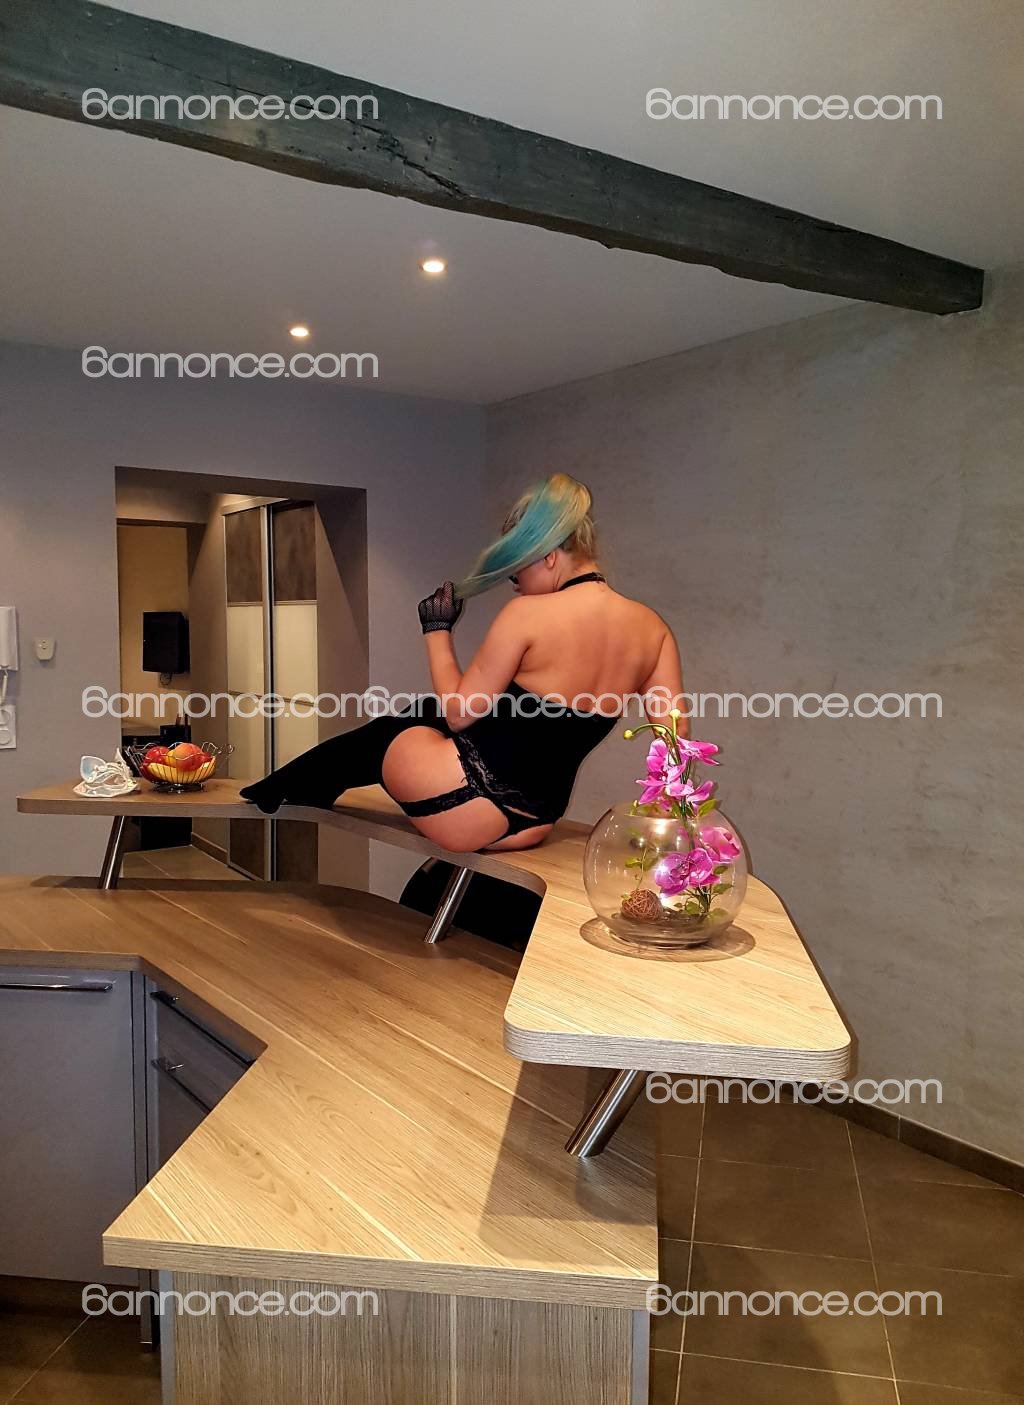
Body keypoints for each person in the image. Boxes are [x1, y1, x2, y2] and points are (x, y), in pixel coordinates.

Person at [240, 473, 685, 853]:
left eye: (516, 571)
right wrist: (671, 825)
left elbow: (459, 714)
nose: (514, 584)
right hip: (536, 821)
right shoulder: (653, 628)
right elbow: (674, 740)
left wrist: (436, 630)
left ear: (548, 556)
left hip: (464, 806)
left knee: (406, 722)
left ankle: (291, 785)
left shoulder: (528, 614)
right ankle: (301, 784)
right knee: (433, 715)